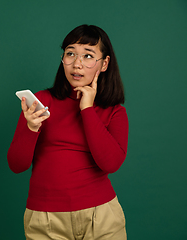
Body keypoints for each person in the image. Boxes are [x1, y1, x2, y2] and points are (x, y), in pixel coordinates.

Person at [7, 24, 129, 240]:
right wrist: (31, 128)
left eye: (88, 55)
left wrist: (87, 109)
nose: (77, 64)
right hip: (46, 220)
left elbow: (111, 164)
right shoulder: (41, 101)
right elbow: (17, 165)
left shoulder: (115, 112)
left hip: (101, 218)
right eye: (70, 53)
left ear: (104, 64)